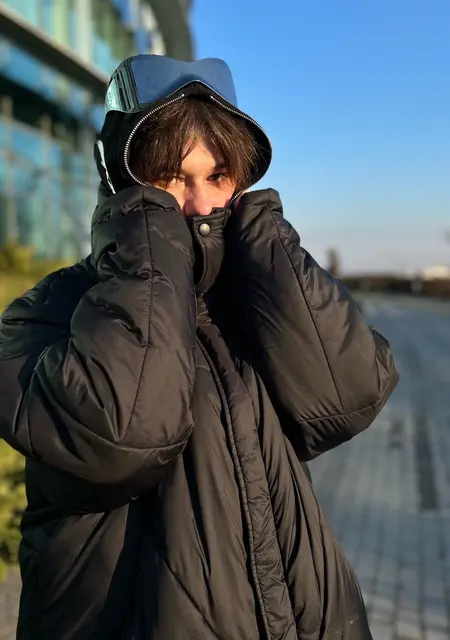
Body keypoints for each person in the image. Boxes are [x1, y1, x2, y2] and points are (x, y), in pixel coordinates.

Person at [0, 55, 398, 640]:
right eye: (168, 177)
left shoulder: (252, 300)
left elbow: (349, 393)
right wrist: (149, 243)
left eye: (219, 176)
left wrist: (266, 240)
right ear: (119, 178)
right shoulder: (47, 313)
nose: (199, 204)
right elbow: (123, 438)